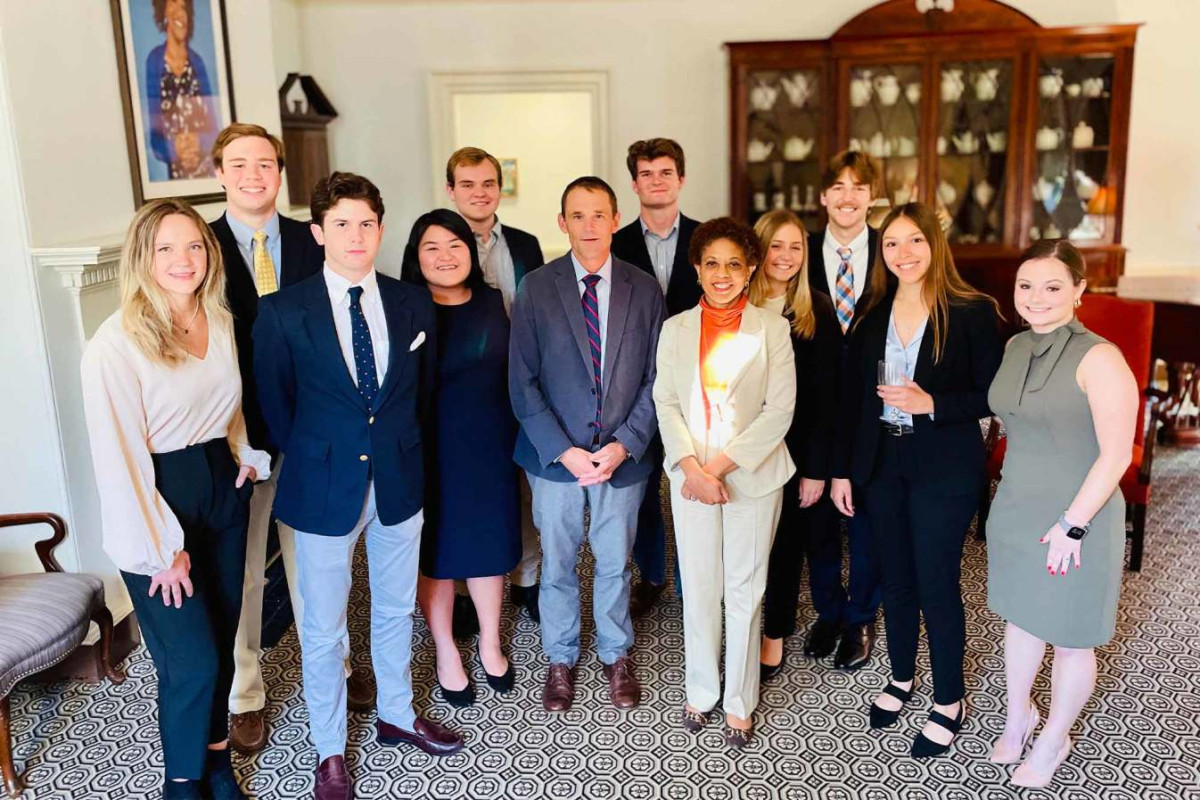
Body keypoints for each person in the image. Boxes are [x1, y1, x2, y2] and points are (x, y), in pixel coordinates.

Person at [253, 173, 462, 800]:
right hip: (322, 486)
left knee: (396, 607)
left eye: (366, 223)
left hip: (400, 476)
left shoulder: (411, 302)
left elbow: (419, 396)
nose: (355, 236)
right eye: (341, 224)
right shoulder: (282, 311)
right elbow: (275, 409)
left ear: (380, 229)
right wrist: (325, 453)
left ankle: (397, 715)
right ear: (318, 232)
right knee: (323, 626)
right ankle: (329, 748)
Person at [81, 198, 269, 800]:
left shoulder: (219, 318)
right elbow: (118, 456)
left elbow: (229, 405)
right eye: (165, 248)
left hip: (223, 490)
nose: (183, 259)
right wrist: (162, 548)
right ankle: (182, 785)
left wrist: (243, 453)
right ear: (143, 257)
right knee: (192, 663)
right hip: (159, 503)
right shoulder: (116, 343)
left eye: (194, 245)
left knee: (222, 639)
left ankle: (217, 768)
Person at [208, 122, 373, 754]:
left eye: (265, 164)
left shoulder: (315, 241)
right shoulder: (202, 246)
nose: (254, 174)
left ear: (280, 173)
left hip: (313, 438)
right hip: (236, 441)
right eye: (239, 164)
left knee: (318, 568)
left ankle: (337, 666)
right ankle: (244, 692)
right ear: (220, 174)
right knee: (245, 574)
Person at [831, 202, 1003, 758]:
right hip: (883, 464)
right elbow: (855, 401)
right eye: (891, 245)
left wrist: (934, 403)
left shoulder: (971, 310)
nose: (904, 254)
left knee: (936, 581)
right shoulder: (871, 313)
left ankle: (949, 699)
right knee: (894, 578)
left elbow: (994, 395)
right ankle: (902, 676)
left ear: (935, 244)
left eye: (914, 242)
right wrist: (844, 471)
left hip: (944, 468)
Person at [509, 176, 665, 712]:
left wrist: (624, 444)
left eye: (599, 215)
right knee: (555, 563)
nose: (590, 226)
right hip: (556, 462)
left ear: (616, 219)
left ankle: (616, 654)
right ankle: (560, 658)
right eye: (578, 216)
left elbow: (655, 379)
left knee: (616, 563)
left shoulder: (644, 289)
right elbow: (522, 379)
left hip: (621, 459)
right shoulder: (535, 287)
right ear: (562, 223)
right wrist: (563, 449)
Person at [985, 240, 1137, 788]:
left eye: (1053, 286)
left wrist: (1073, 523)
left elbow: (1118, 453)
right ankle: (1017, 716)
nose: (1037, 297)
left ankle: (1054, 738)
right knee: (1021, 619)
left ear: (1079, 291)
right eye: (1026, 286)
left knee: (1072, 635)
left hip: (1079, 518)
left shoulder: (1101, 356)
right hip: (1017, 507)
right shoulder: (1016, 345)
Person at [654, 217, 796, 747]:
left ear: (751, 268)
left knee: (744, 588)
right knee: (700, 586)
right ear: (696, 268)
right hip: (691, 476)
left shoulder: (773, 328)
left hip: (752, 477)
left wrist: (715, 470)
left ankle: (739, 700)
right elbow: (665, 401)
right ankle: (701, 690)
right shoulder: (676, 330)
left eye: (734, 263)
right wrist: (692, 468)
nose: (722, 273)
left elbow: (779, 411)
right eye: (711, 262)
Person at [400, 209, 521, 707]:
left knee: (488, 548)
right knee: (437, 555)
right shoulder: (405, 308)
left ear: (471, 252)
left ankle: (490, 641)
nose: (446, 256)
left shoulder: (494, 301)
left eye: (455, 244)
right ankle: (447, 650)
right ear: (416, 256)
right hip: (427, 451)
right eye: (432, 247)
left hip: (490, 448)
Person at [445, 146, 545, 624]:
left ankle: (527, 580)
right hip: (462, 389)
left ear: (499, 189)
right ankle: (467, 591)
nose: (479, 193)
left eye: (487, 183)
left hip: (520, 379)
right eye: (467, 184)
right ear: (451, 191)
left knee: (524, 485)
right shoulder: (435, 242)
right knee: (466, 491)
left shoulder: (525, 245)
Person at [748, 210, 841, 682]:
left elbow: (830, 396)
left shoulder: (815, 309)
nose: (785, 257)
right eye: (776, 246)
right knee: (747, 546)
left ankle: (775, 632)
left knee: (786, 545)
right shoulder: (736, 303)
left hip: (799, 449)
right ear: (758, 249)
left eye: (795, 247)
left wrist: (817, 468)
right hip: (744, 447)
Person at [611, 137, 702, 618]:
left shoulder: (708, 239)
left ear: (681, 179)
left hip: (697, 383)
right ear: (634, 183)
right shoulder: (616, 242)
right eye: (647, 174)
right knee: (643, 484)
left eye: (665, 172)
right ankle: (651, 574)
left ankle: (694, 577)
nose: (657, 181)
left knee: (694, 482)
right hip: (636, 383)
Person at [803, 150, 886, 670]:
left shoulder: (892, 251)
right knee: (818, 522)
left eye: (859, 186)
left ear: (871, 198)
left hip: (874, 405)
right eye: (838, 185)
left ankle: (861, 617)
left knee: (865, 518)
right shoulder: (801, 251)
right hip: (814, 404)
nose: (848, 195)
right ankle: (829, 610)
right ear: (823, 197)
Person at [145, 0, 219, 180]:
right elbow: (155, 142)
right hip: (178, 182)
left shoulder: (198, 63)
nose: (180, 14)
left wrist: (199, 143)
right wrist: (175, 148)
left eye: (184, 8)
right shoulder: (154, 62)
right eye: (173, 6)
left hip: (207, 175)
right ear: (163, 14)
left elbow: (215, 133)